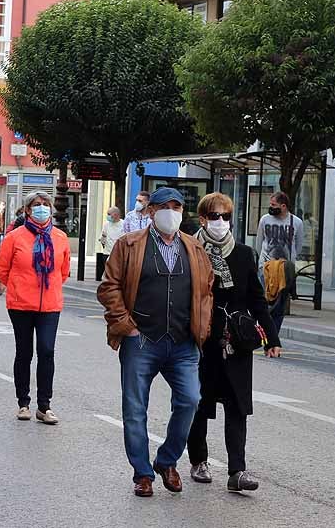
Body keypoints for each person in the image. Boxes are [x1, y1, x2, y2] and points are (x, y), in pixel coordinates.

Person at [97, 187, 213, 498]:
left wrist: (202, 324)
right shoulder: (129, 245)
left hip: (182, 341)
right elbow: (109, 288)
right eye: (165, 206)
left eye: (177, 206)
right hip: (141, 339)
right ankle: (142, 473)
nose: (171, 212)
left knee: (190, 400)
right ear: (151, 211)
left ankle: (167, 460)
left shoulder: (194, 248)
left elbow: (206, 290)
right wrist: (126, 326)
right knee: (135, 408)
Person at [186, 192, 281, 493]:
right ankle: (199, 460)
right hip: (201, 338)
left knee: (238, 406)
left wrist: (271, 338)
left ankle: (236, 470)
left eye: (226, 216)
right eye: (215, 216)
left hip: (236, 340)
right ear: (202, 219)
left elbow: (256, 297)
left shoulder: (242, 253)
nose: (221, 222)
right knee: (198, 403)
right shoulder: (191, 250)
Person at [0, 191, 70, 425]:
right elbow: (1, 269)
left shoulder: (60, 237)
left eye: (45, 204)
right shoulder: (14, 237)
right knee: (24, 352)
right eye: (36, 205)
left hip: (50, 304)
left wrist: (50, 287)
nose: (42, 208)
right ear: (27, 210)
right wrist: (18, 286)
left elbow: (64, 271)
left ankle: (44, 406)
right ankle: (23, 403)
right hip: (21, 304)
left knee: (47, 351)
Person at [256, 192, 304, 331]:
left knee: (279, 306)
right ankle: (265, 333)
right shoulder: (265, 219)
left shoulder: (296, 222)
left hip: (284, 271)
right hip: (266, 268)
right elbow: (259, 242)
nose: (270, 207)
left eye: (273, 205)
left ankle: (273, 336)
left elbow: (298, 246)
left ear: (283, 206)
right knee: (264, 303)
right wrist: (261, 263)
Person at [98, 206, 125, 281]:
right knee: (108, 273)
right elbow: (102, 237)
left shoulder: (124, 224)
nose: (108, 216)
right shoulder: (106, 224)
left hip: (118, 254)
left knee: (117, 273)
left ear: (116, 214)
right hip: (107, 253)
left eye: (109, 214)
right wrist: (102, 238)